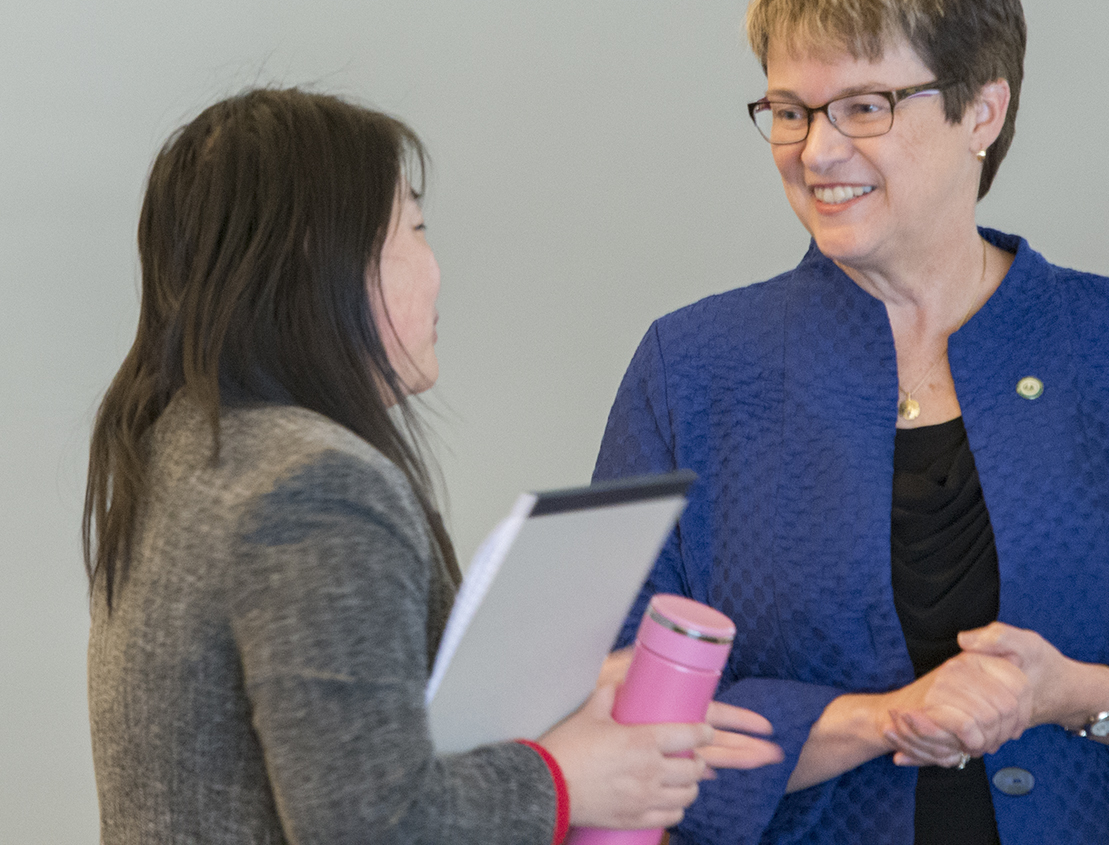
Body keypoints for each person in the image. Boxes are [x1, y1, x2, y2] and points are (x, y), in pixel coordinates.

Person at [594, 0, 1109, 845]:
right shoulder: (691, 371)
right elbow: (623, 711)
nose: (817, 151)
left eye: (865, 105)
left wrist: (1072, 695)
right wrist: (873, 720)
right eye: (788, 109)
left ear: (983, 109)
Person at [82, 88, 782, 845]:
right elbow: (372, 823)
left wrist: (553, 701)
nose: (435, 266)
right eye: (413, 226)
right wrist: (565, 778)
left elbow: (349, 740)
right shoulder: (313, 487)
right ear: (325, 260)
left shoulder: (183, 446)